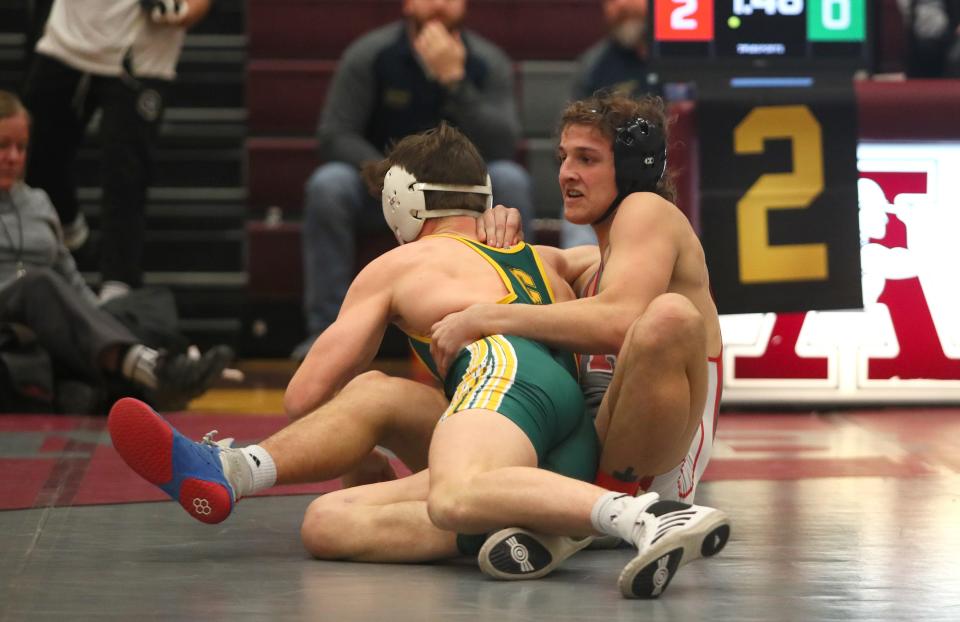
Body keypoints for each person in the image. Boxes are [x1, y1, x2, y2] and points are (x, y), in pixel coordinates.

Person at [108, 122, 728, 600]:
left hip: (504, 375)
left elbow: (304, 395)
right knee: (328, 520)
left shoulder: (395, 266)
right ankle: (240, 471)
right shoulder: (544, 256)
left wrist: (351, 442)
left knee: (436, 473)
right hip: (557, 428)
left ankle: (643, 514)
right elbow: (627, 273)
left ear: (399, 203)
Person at [429, 91, 726, 583]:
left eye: (587, 159)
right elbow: (531, 265)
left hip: (645, 471)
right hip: (575, 457)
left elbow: (618, 320)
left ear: (631, 170)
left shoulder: (649, 211)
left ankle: (613, 512)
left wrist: (488, 316)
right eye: (563, 157)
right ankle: (572, 516)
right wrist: (495, 231)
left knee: (668, 318)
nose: (567, 172)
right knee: (343, 509)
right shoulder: (592, 267)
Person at [296, 0, 534, 359]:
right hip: (385, 193)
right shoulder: (371, 54)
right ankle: (326, 333)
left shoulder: (488, 61)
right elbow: (335, 134)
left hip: (461, 199)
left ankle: (516, 321)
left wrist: (456, 82)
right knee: (328, 185)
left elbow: (503, 142)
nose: (438, 4)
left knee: (512, 179)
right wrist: (396, 174)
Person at [0, 90, 233, 412]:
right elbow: (47, 283)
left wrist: (101, 316)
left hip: (50, 322)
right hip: (8, 327)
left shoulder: (38, 201)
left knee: (141, 304)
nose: (13, 157)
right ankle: (151, 372)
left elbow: (67, 272)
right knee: (38, 284)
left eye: (21, 147)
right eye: (3, 146)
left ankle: (128, 378)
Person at [21, 0, 211, 303]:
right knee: (31, 152)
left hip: (141, 53)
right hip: (70, 37)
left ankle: (118, 289)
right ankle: (73, 236)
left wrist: (181, 10)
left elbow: (192, 8)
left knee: (126, 174)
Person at [563, 0, 660, 248]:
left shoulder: (682, 56)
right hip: (607, 183)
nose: (621, 6)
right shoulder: (594, 65)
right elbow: (569, 139)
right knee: (579, 227)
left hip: (669, 178)